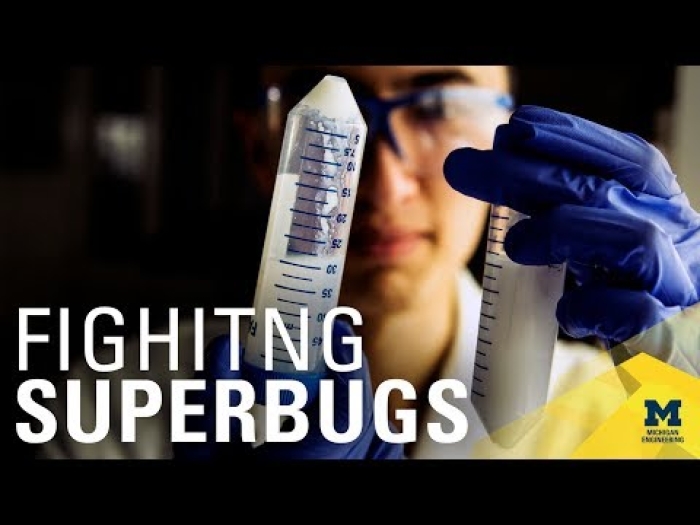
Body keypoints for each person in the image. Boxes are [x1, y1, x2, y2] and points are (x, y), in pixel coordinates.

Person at [32, 65, 700, 460]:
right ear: (259, 148)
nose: (382, 186)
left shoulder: (633, 414)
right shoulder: (108, 408)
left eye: (438, 107)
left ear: (509, 131)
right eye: (325, 136)